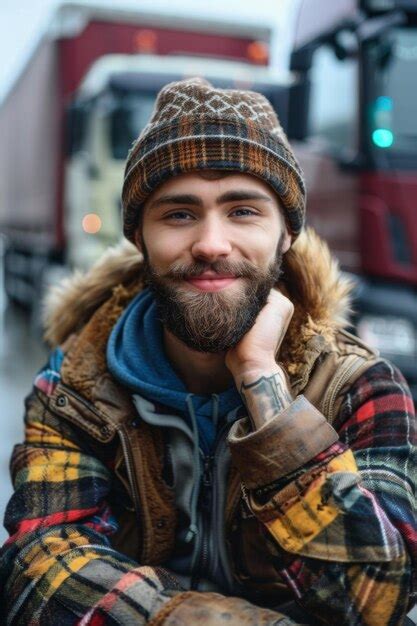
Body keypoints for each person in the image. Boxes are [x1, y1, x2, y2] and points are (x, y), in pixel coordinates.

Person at [1, 78, 416, 626]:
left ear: (287, 235)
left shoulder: (361, 387)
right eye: (178, 214)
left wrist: (266, 392)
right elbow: (38, 569)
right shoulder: (76, 388)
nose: (211, 243)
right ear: (139, 238)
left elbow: (380, 594)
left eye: (243, 211)